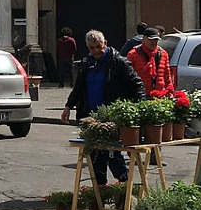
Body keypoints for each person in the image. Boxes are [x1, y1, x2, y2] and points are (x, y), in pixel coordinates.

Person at [61, 29, 146, 185]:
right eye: (92, 48)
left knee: (113, 153)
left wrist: (137, 108)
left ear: (105, 43)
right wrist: (68, 106)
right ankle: (100, 189)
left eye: (98, 47)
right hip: (91, 116)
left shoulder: (118, 62)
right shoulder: (87, 63)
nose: (96, 51)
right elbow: (79, 88)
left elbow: (137, 84)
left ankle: (124, 185)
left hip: (110, 116)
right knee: (95, 155)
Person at [126, 28, 173, 95]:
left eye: (156, 40)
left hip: (159, 95)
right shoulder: (133, 54)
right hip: (140, 94)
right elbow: (127, 76)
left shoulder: (163, 54)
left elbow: (167, 76)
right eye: (151, 39)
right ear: (144, 39)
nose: (154, 42)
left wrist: (170, 91)